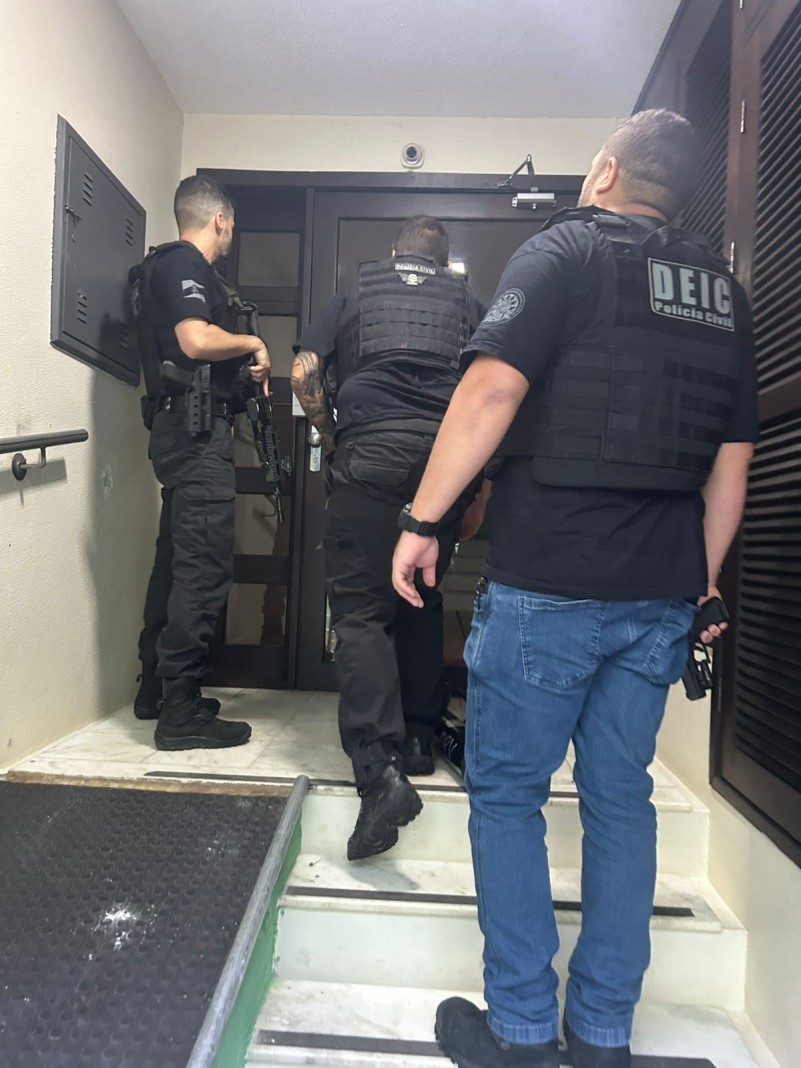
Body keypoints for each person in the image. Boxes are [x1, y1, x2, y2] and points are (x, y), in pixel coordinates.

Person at [392, 111, 758, 1068]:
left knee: (507, 794)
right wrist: (701, 585)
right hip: (660, 593)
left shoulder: (563, 252)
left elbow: (490, 392)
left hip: (548, 581)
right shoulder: (723, 296)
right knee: (619, 801)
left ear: (603, 171)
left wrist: (422, 519)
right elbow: (730, 465)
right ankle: (600, 1037)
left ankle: (520, 1031)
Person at [291, 216, 487, 861]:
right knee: (421, 598)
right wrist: (477, 491)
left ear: (395, 252)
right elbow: (495, 393)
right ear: (445, 263)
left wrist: (332, 435)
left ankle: (380, 773)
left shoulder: (356, 292)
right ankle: (421, 740)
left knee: (360, 612)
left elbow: (302, 373)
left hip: (369, 458)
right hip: (443, 466)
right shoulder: (469, 304)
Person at [130, 175, 270, 750]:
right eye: (231, 225)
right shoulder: (184, 263)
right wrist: (252, 345)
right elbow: (193, 340)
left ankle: (157, 691)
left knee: (174, 560)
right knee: (203, 568)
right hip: (194, 435)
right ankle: (181, 713)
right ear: (220, 220)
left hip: (182, 431)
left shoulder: (164, 267)